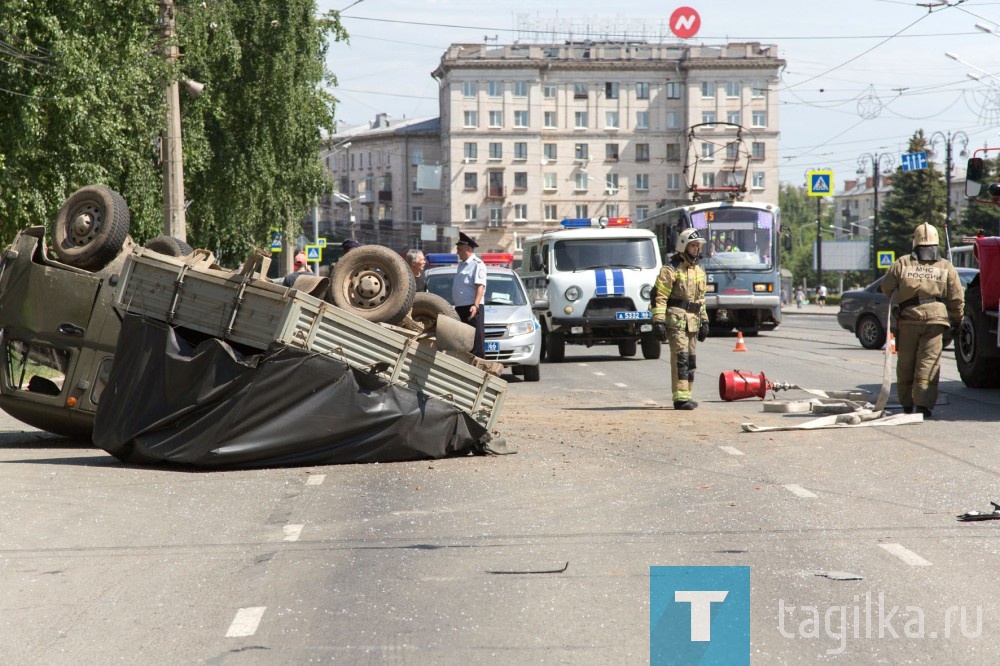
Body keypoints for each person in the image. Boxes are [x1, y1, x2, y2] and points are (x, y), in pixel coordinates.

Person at [880, 222, 964, 419]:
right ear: (936, 243)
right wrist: (957, 320)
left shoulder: (902, 263)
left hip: (909, 319)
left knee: (906, 362)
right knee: (928, 363)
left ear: (915, 242)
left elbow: (886, 287)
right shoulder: (946, 266)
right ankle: (923, 406)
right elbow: (956, 298)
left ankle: (907, 405)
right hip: (936, 320)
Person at [651, 228, 709, 410]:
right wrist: (658, 321)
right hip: (676, 322)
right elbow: (659, 296)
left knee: (691, 360)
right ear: (683, 245)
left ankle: (687, 395)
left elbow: (701, 299)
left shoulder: (699, 270)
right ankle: (680, 399)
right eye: (693, 245)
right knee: (680, 358)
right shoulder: (670, 270)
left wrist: (705, 320)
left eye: (698, 245)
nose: (696, 249)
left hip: (692, 321)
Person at [452, 232, 487, 358]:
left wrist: (475, 305)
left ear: (467, 249)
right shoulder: (461, 265)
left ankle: (479, 370)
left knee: (476, 343)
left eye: (459, 249)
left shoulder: (477, 264)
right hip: (460, 308)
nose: (457, 252)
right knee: (463, 343)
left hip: (471, 308)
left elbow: (480, 287)